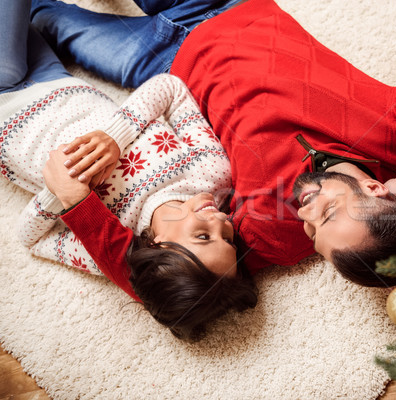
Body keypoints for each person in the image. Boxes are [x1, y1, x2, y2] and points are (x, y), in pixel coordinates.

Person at [30, 0, 396, 287]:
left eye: (313, 236)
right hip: (229, 8)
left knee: (42, 19)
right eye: (325, 212)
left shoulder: (272, 237)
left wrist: (78, 207)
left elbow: (164, 288)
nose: (304, 214)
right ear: (380, 189)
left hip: (163, 63)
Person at [1, 0, 257, 342]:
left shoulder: (111, 240)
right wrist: (115, 137)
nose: (221, 222)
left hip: (6, 117)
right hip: (55, 80)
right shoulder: (211, 174)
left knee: (8, 66)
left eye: (204, 236)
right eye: (228, 239)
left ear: (161, 249)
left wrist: (62, 189)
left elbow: (29, 238)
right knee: (33, 17)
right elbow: (172, 89)